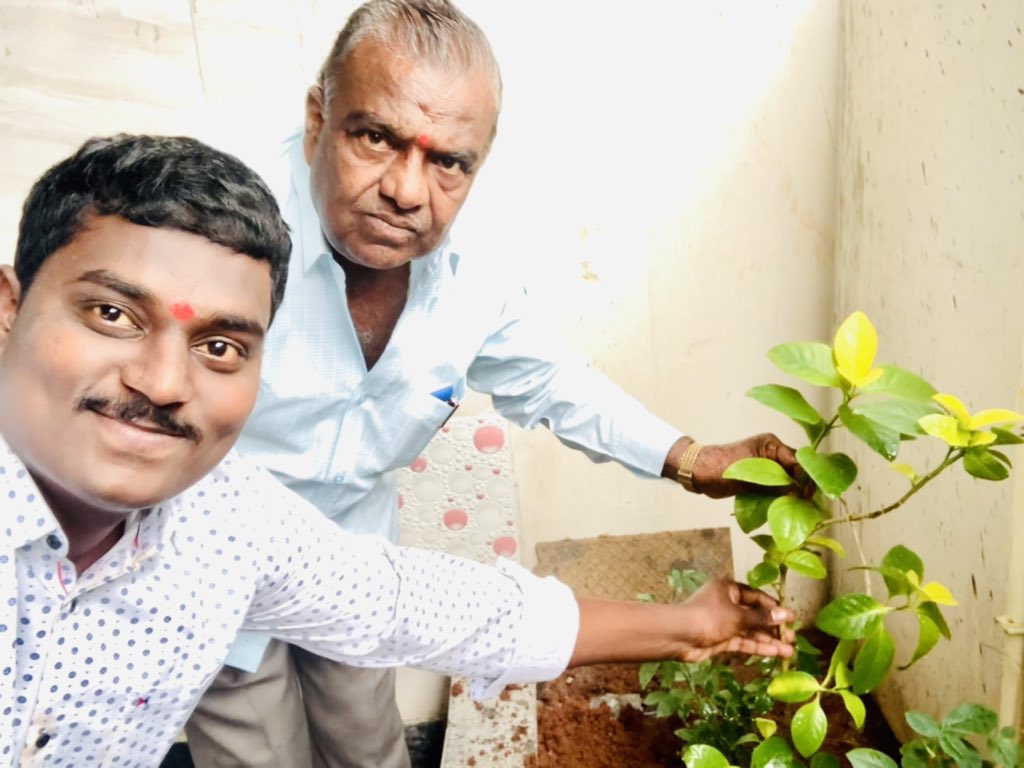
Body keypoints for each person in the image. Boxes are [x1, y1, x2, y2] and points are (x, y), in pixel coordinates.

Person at [0, 133, 794, 767]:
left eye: (220, 347)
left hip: (328, 561)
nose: (163, 381)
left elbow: (434, 607)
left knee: (368, 743)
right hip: (224, 620)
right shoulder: (238, 233)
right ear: (321, 120)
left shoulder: (222, 521)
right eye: (111, 315)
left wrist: (690, 606)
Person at [184, 1, 808, 767]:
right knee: (254, 754)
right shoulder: (212, 231)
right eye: (375, 138)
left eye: (449, 161)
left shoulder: (469, 269)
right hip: (214, 566)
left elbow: (549, 379)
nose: (408, 190)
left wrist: (688, 456)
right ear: (318, 120)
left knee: (368, 744)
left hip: (358, 558)